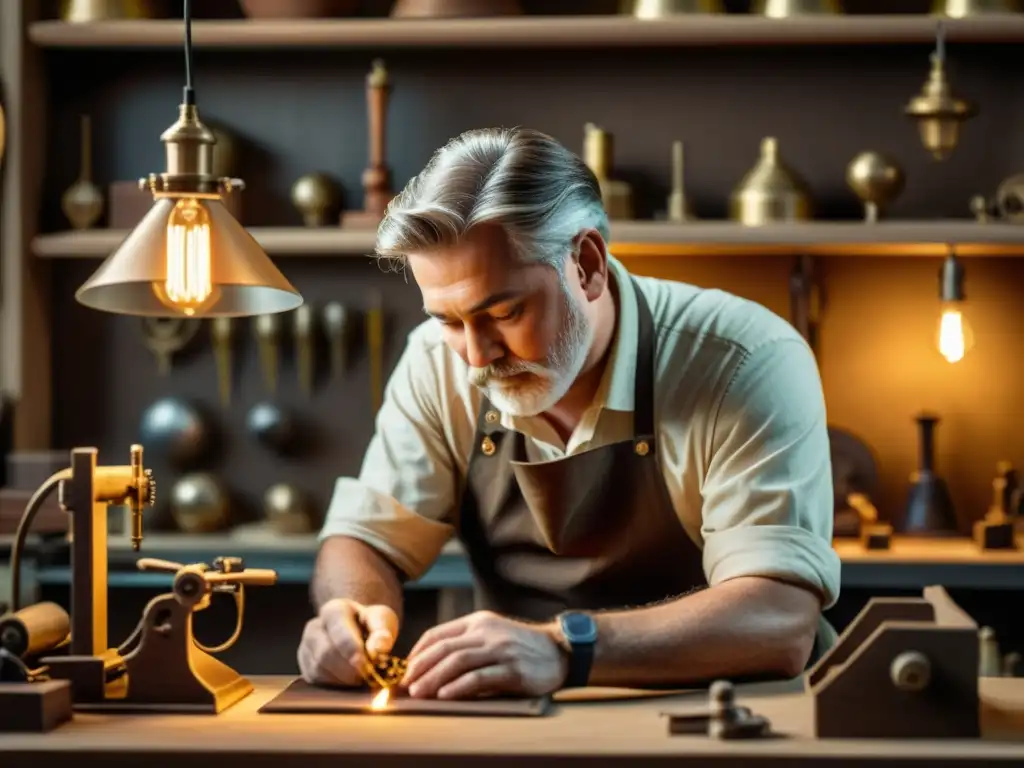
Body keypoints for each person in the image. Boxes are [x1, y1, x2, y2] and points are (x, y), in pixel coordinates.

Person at [297, 126, 841, 701]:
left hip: (726, 717)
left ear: (586, 264)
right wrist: (349, 611)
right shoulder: (437, 363)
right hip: (525, 721)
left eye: (504, 312)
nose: (478, 355)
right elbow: (366, 540)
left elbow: (779, 620)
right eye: (450, 321)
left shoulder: (743, 360)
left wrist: (564, 648)